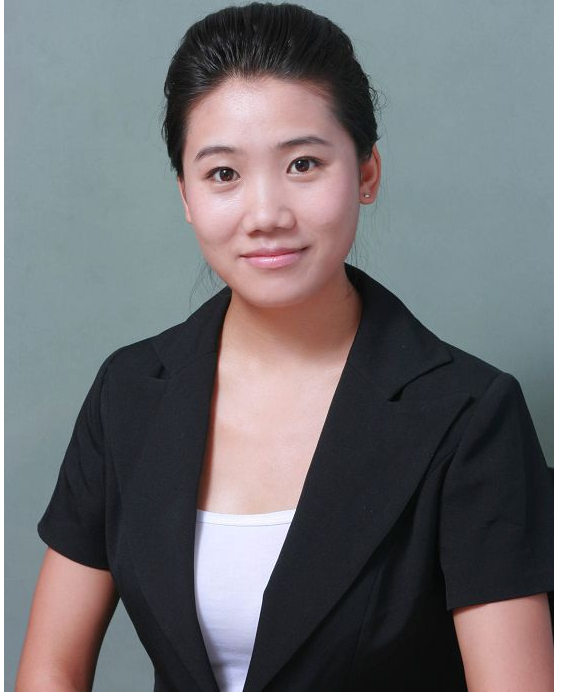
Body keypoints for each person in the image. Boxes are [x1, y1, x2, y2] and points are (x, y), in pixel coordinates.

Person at [16, 2, 553, 692]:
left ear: (366, 172)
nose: (265, 214)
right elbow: (50, 670)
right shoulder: (129, 393)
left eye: (303, 163)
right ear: (185, 194)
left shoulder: (470, 415)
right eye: (223, 174)